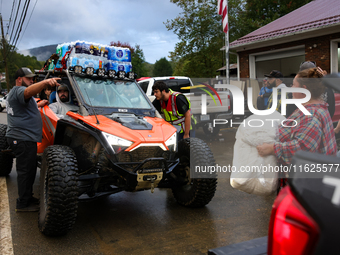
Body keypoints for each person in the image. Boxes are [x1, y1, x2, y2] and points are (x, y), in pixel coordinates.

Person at [257, 68, 337, 166]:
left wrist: (272, 149)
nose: (291, 88)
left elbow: (303, 148)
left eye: (294, 85)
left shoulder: (311, 115)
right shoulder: (318, 107)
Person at [6, 67, 60, 212]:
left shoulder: (17, 95)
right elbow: (28, 91)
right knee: (25, 172)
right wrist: (45, 82)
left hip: (23, 138)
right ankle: (23, 204)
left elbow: (22, 110)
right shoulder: (19, 91)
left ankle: (27, 198)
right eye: (29, 78)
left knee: (29, 171)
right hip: (22, 138)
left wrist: (37, 105)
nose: (31, 81)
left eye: (32, 79)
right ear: (19, 79)